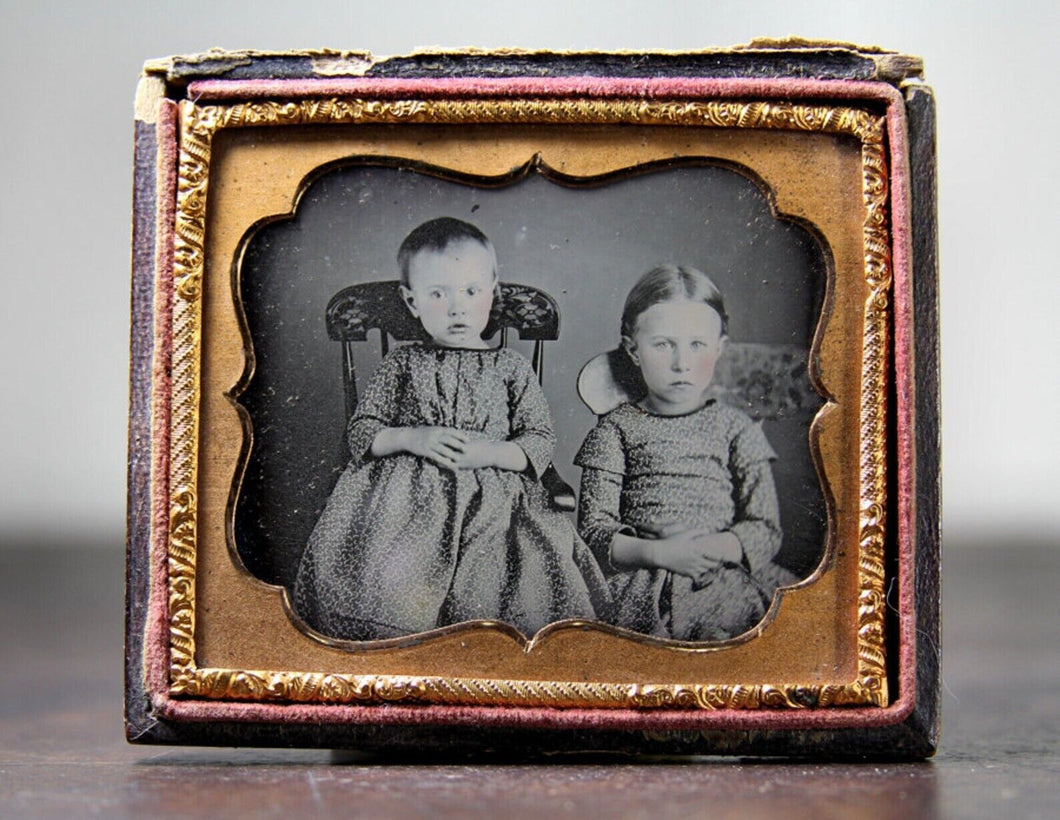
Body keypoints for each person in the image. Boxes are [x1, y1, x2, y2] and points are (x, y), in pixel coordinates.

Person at [294, 217, 609, 641]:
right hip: (406, 504)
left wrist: (491, 453)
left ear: (492, 293)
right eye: (437, 294)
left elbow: (538, 440)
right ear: (412, 302)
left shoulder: (509, 367)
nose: (456, 307)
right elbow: (362, 432)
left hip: (495, 502)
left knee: (511, 579)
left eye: (471, 291)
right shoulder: (400, 364)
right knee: (391, 579)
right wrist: (412, 437)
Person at [575, 265, 794, 642]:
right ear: (633, 349)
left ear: (719, 349)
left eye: (697, 345)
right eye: (663, 344)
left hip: (723, 572)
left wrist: (708, 549)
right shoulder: (615, 429)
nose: (682, 363)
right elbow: (593, 532)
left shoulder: (735, 428)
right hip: (640, 576)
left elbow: (766, 527)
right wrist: (662, 554)